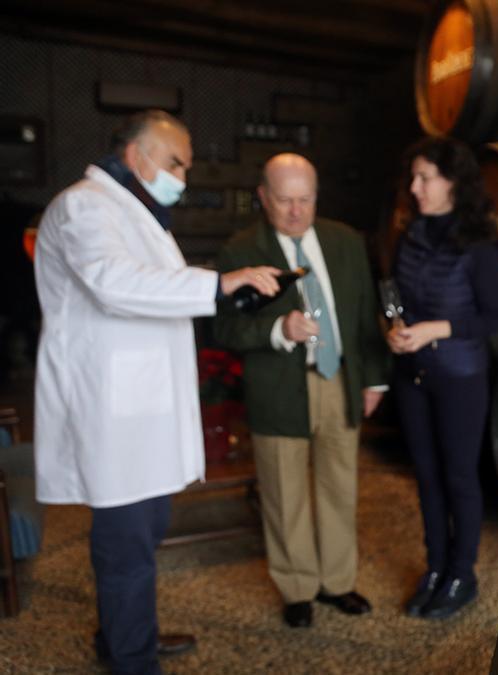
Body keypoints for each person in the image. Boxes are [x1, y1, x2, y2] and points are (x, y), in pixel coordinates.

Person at [33, 109, 281, 674]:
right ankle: (132, 659)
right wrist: (217, 283)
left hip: (140, 408)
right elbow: (113, 283)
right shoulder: (85, 206)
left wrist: (213, 289)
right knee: (126, 542)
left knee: (146, 532)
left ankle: (127, 635)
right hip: (111, 410)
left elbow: (155, 289)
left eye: (187, 168)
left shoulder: (137, 213)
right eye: (175, 163)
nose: (182, 178)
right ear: (136, 155)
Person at [213, 153, 389, 628]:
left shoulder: (345, 241)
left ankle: (337, 582)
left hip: (339, 381)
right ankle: (296, 587)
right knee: (283, 491)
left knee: (339, 486)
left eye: (305, 200)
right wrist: (276, 329)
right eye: (285, 200)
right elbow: (224, 329)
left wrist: (374, 379)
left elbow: (363, 312)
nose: (295, 211)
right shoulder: (240, 249)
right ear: (263, 198)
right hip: (277, 386)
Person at [388, 137, 498, 619]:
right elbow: (398, 297)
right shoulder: (411, 233)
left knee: (459, 476)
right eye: (414, 178)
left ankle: (463, 573)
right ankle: (436, 567)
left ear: (452, 183)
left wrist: (436, 329)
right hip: (412, 374)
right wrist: (395, 329)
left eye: (425, 178)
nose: (415, 187)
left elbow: (495, 317)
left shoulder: (478, 243)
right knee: (426, 476)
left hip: (460, 376)